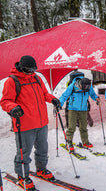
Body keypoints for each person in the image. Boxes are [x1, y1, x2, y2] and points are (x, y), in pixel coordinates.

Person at [0, 55, 61, 190]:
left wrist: (53, 99)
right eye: (29, 70)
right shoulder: (12, 81)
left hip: (41, 122)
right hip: (25, 123)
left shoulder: (37, 78)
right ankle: (22, 176)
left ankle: (41, 169)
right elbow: (5, 101)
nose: (31, 72)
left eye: (33, 69)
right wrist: (13, 108)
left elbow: (45, 94)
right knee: (24, 152)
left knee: (43, 148)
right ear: (21, 68)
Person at [59, 77, 100, 151]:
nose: (86, 88)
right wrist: (59, 104)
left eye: (87, 87)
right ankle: (69, 142)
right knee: (71, 127)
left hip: (83, 109)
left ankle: (85, 141)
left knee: (83, 127)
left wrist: (96, 98)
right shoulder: (72, 86)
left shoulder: (88, 86)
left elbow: (93, 94)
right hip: (73, 109)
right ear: (80, 84)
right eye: (84, 87)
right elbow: (64, 96)